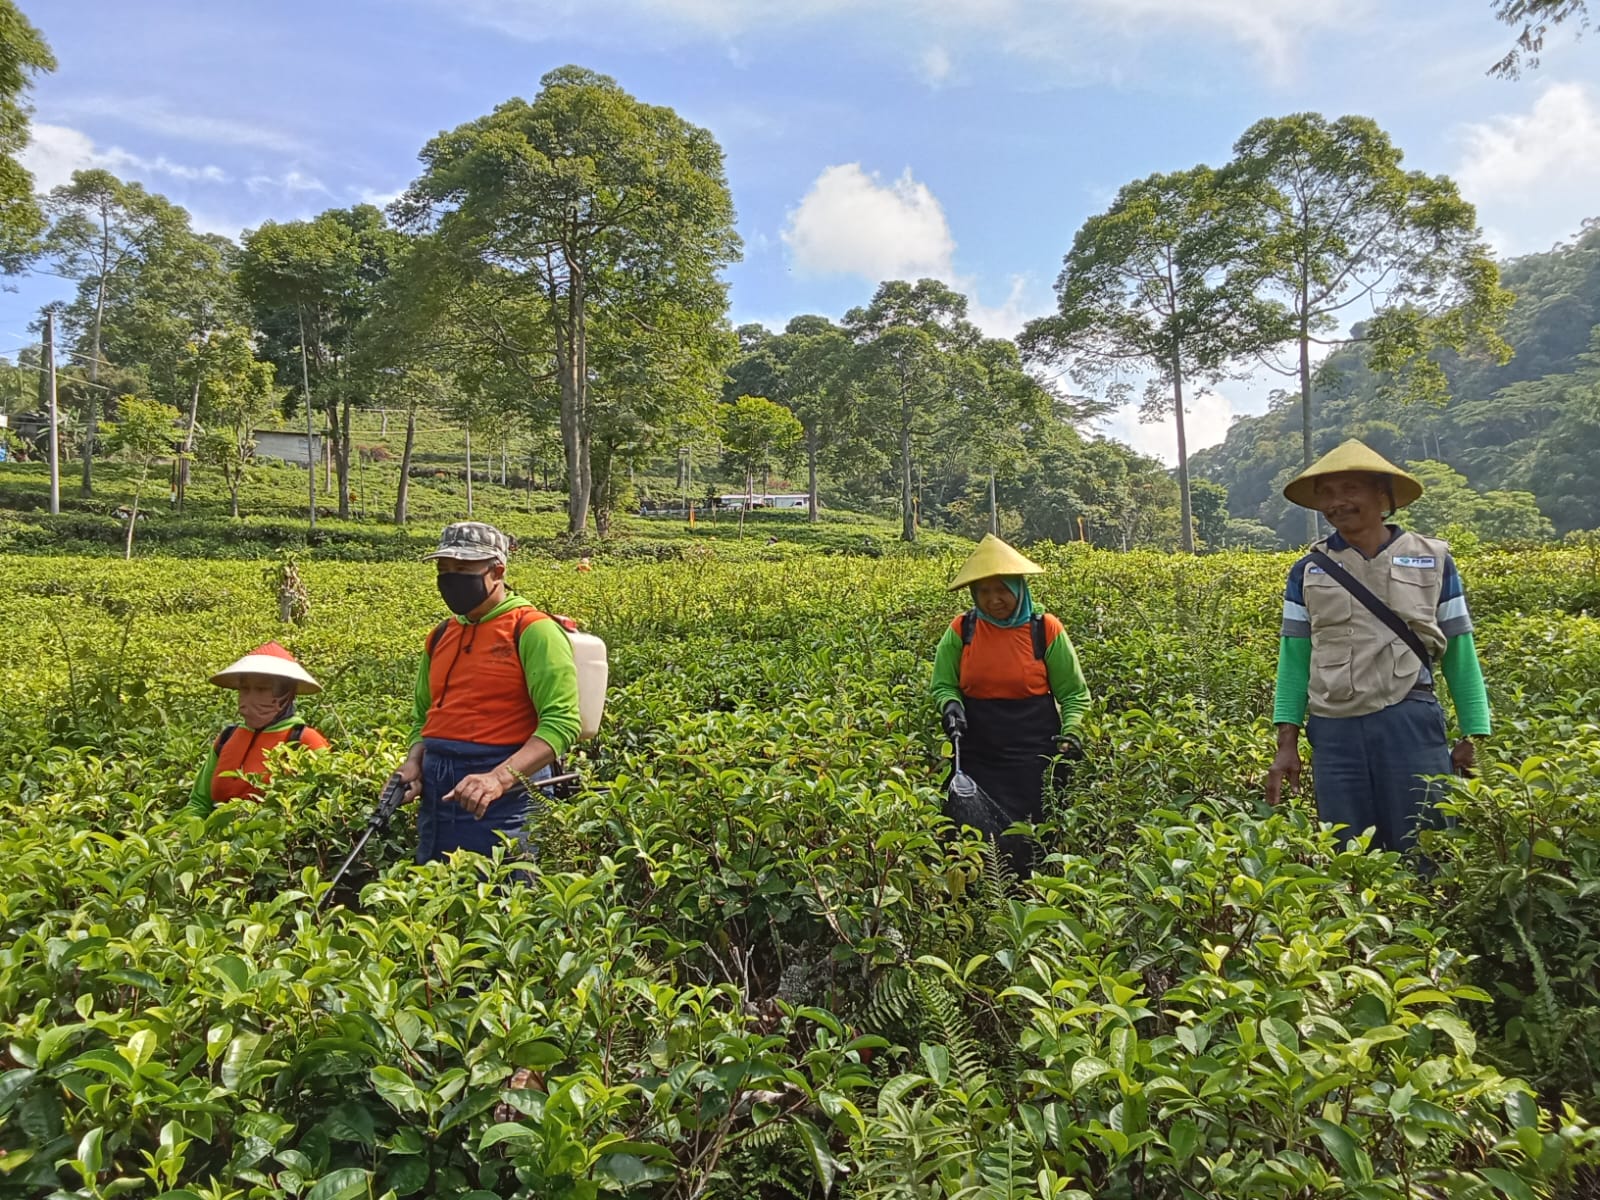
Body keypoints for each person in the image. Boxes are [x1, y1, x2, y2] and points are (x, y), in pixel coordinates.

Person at [1265, 439, 1491, 853]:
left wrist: (1475, 732)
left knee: (1426, 841)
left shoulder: (1433, 559)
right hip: (1334, 728)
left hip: (1409, 717)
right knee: (1347, 849)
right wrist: (1287, 743)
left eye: (1349, 489)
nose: (1337, 503)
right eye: (1327, 494)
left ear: (1383, 495)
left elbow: (1460, 649)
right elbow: (1295, 660)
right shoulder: (1307, 571)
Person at [396, 521, 582, 864]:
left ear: (497, 571)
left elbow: (562, 723)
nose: (450, 578)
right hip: (438, 794)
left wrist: (497, 779)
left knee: (503, 899)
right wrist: (413, 763)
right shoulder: (440, 635)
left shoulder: (533, 630)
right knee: (437, 904)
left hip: (505, 798)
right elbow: (423, 717)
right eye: (444, 569)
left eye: (463, 569)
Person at [931, 534, 1091, 876]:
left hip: (1033, 755)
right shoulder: (963, 629)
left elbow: (1074, 693)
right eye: (984, 592)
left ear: (1018, 588)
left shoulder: (1044, 629)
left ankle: (1029, 899)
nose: (994, 600)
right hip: (978, 750)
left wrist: (1072, 731)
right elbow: (944, 682)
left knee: (1035, 836)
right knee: (971, 834)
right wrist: (950, 705)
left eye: (1001, 590)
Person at [185, 642, 329, 816]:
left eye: (262, 689)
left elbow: (324, 803)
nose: (250, 698)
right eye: (245, 689)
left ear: (287, 694)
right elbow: (199, 802)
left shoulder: (304, 740)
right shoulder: (227, 738)